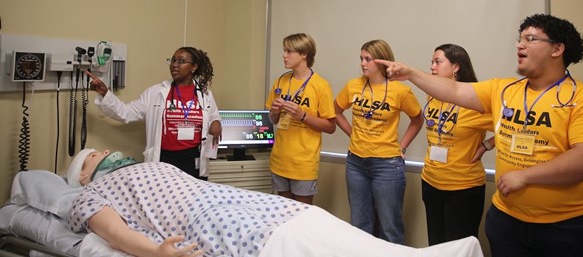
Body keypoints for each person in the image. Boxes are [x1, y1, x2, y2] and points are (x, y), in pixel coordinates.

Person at [377, 14, 583, 257]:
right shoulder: (503, 89)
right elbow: (455, 89)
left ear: (557, 48)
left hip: (566, 227)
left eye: (530, 38)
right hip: (507, 220)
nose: (519, 45)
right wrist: (411, 73)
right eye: (519, 39)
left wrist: (525, 177)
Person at [66, 148, 486, 257]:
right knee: (296, 246)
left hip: (229, 198)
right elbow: (113, 233)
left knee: (314, 221)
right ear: (85, 173)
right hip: (205, 218)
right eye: (96, 154)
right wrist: (155, 250)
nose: (106, 152)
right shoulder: (93, 194)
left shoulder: (151, 165)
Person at [334, 39, 423, 245]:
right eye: (361, 59)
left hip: (387, 165)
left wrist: (402, 146)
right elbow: (336, 111)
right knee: (359, 224)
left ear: (382, 61)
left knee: (389, 227)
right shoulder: (353, 85)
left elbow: (417, 120)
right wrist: (353, 134)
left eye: (368, 59)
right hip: (356, 163)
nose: (363, 64)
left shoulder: (400, 91)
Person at [86, 46, 222, 179]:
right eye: (173, 60)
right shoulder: (156, 92)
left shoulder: (205, 95)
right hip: (164, 159)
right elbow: (127, 113)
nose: (174, 65)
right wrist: (105, 94)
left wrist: (216, 122)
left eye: (180, 61)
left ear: (194, 67)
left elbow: (214, 116)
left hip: (193, 160)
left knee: (193, 199)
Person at [420, 44, 492, 245]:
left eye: (437, 62)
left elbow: (511, 126)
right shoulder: (433, 95)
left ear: (456, 67)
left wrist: (488, 144)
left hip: (463, 188)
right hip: (431, 181)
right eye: (432, 62)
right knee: (436, 245)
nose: (432, 67)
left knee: (458, 247)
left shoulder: (475, 101)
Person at [265, 33, 336, 204]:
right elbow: (273, 120)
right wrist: (274, 111)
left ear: (304, 54)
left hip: (303, 164)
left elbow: (330, 127)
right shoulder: (281, 81)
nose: (284, 55)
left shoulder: (320, 85)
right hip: (280, 160)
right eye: (284, 51)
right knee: (282, 213)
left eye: (289, 51)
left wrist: (302, 115)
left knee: (301, 216)